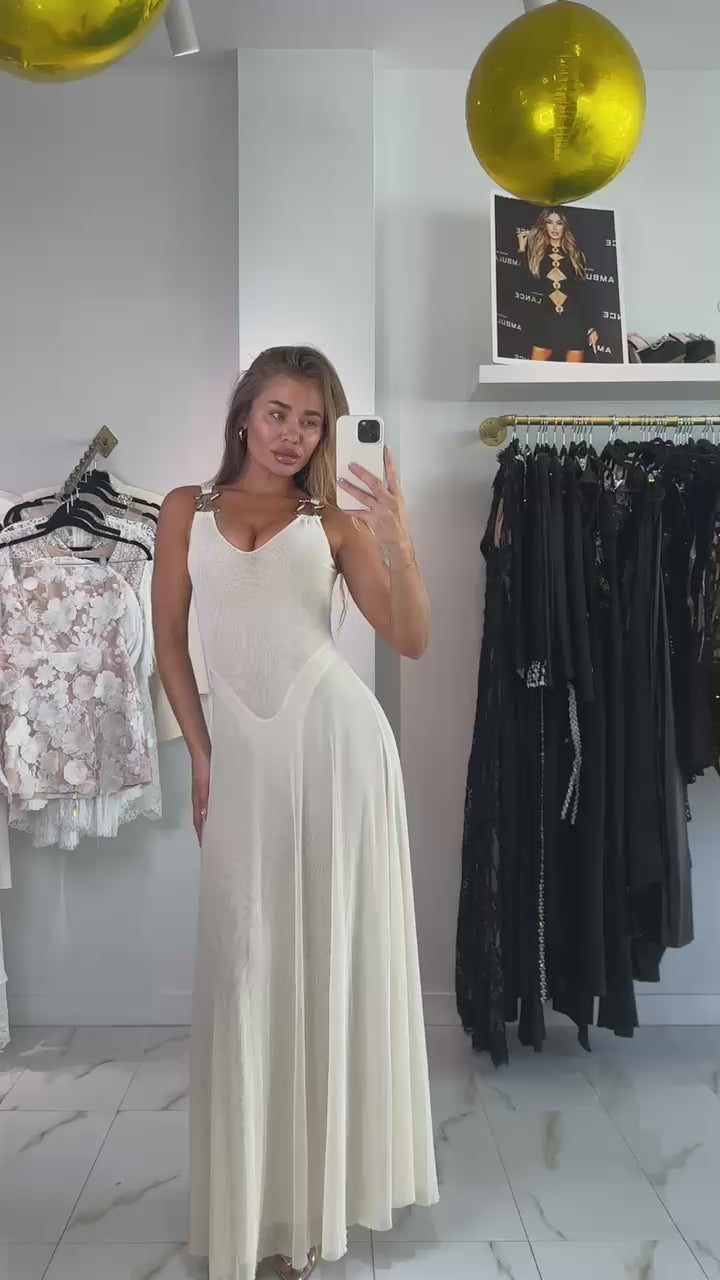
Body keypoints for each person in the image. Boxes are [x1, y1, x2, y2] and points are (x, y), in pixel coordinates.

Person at [152, 346, 438, 1280]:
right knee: (247, 964)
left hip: (338, 750)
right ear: (245, 413)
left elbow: (411, 638)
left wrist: (397, 538)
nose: (292, 434)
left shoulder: (333, 522)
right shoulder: (184, 509)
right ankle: (259, 1199)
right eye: (278, 413)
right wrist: (202, 754)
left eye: (311, 421)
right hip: (241, 761)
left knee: (322, 962)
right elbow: (169, 645)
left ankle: (310, 1211)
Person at [517, 208, 599, 362]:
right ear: (544, 225)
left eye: (559, 223)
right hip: (546, 320)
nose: (554, 228)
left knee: (573, 375)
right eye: (550, 222)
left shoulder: (575, 255)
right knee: (536, 373)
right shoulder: (537, 254)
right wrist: (522, 249)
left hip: (573, 322)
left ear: (565, 226)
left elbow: (583, 294)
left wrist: (591, 328)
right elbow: (526, 284)